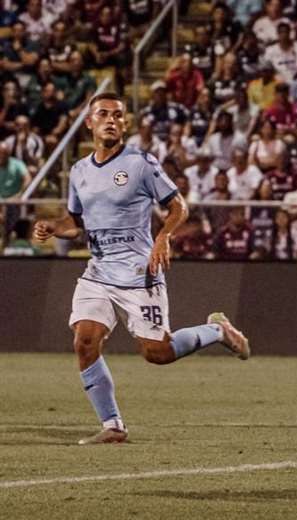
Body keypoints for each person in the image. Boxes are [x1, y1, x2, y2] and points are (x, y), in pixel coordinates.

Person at [31, 92, 250, 445]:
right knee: (84, 342)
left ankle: (217, 331)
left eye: (118, 115)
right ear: (89, 123)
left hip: (138, 273)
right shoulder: (79, 171)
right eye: (103, 114)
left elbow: (179, 207)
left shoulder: (141, 164)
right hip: (99, 273)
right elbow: (75, 221)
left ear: (125, 124)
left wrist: (163, 237)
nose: (111, 120)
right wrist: (53, 227)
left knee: (157, 353)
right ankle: (113, 425)